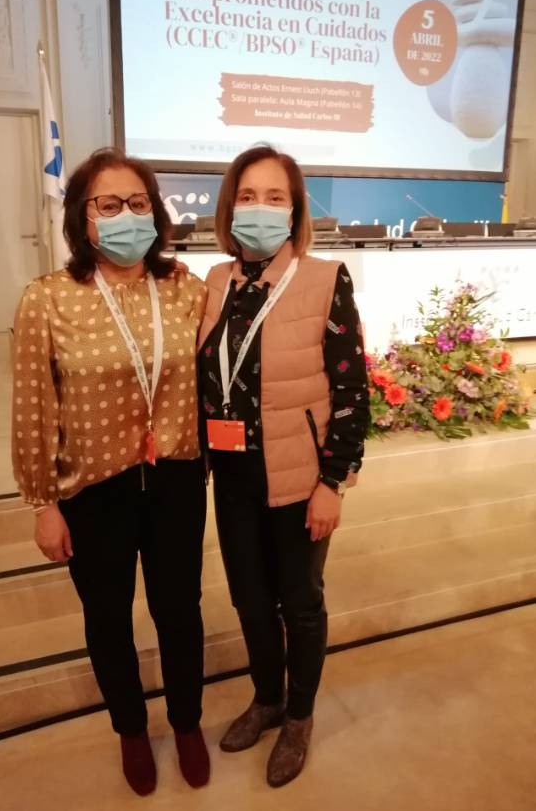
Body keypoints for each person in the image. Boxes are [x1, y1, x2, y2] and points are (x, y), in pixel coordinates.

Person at [12, 148, 209, 796]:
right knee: (107, 617)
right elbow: (34, 406)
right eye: (109, 204)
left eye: (139, 202)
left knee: (179, 610)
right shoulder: (48, 299)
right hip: (93, 490)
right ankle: (131, 728)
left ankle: (186, 722)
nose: (127, 215)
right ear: (83, 216)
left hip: (176, 478)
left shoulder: (186, 289)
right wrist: (42, 502)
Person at [198, 144, 369, 788]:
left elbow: (351, 390)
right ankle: (267, 697)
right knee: (249, 599)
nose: (260, 208)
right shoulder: (217, 281)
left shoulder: (325, 278)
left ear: (295, 210)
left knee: (300, 602)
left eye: (275, 197)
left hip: (300, 477)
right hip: (233, 474)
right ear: (229, 207)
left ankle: (299, 717)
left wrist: (332, 484)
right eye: (247, 196)